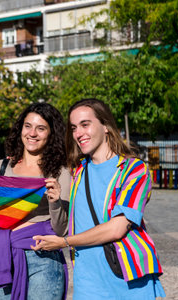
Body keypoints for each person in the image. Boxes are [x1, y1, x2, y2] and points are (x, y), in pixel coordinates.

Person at [32, 99, 166, 299]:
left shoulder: (134, 170)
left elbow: (117, 228)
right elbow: (41, 153)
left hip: (128, 280)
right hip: (87, 283)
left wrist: (64, 242)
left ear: (106, 126)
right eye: (74, 127)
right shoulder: (76, 171)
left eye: (86, 124)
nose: (78, 133)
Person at [0, 102, 70, 300]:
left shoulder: (60, 172)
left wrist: (55, 202)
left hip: (43, 257)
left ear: (51, 134)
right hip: (2, 258)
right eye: (28, 126)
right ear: (20, 129)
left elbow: (61, 230)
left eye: (41, 128)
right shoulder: (1, 167)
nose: (32, 133)